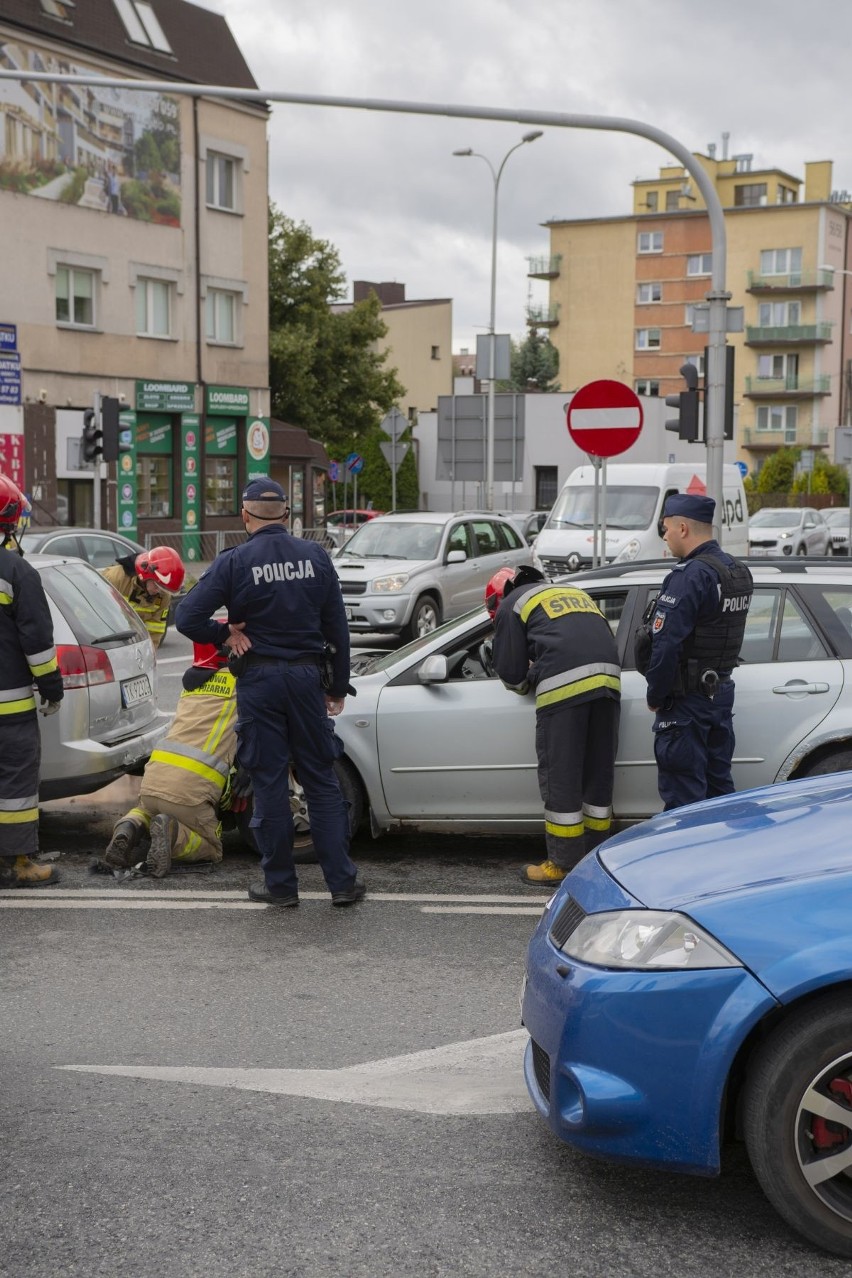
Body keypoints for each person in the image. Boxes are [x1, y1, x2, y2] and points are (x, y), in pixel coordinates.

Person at [175, 477, 364, 908]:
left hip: (260, 683)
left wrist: (224, 634)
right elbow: (338, 627)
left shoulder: (235, 561)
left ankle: (280, 887)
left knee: (270, 784)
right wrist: (336, 687)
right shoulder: (315, 556)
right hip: (305, 680)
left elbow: (186, 615)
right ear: (286, 516)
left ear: (245, 516)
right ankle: (342, 884)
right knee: (320, 780)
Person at [488, 564, 621, 885]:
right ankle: (597, 857)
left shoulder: (512, 603)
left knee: (562, 777)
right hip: (610, 683)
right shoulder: (574, 594)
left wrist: (530, 676)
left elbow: (511, 673)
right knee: (596, 775)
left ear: (498, 597)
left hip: (564, 689)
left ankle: (562, 864)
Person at [639, 493, 753, 811]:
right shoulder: (737, 572)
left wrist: (655, 696)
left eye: (666, 528)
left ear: (683, 528)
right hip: (719, 694)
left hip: (685, 703)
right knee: (719, 792)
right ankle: (720, 859)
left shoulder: (689, 576)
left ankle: (686, 861)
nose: (665, 536)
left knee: (684, 800)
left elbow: (666, 645)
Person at [103, 643, 241, 877]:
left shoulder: (195, 685)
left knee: (144, 810)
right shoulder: (244, 685)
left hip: (153, 781)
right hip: (191, 792)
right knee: (212, 847)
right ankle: (173, 834)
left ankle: (127, 828)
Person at [0, 474, 64, 889]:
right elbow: (38, 643)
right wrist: (52, 687)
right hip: (9, 710)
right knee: (15, 788)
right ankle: (18, 863)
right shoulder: (16, 571)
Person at [100, 546, 185, 651]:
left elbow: (155, 629)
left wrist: (148, 653)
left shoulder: (163, 596)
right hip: (105, 641)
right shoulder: (115, 578)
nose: (159, 592)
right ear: (146, 574)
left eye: (164, 589)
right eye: (157, 586)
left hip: (131, 646)